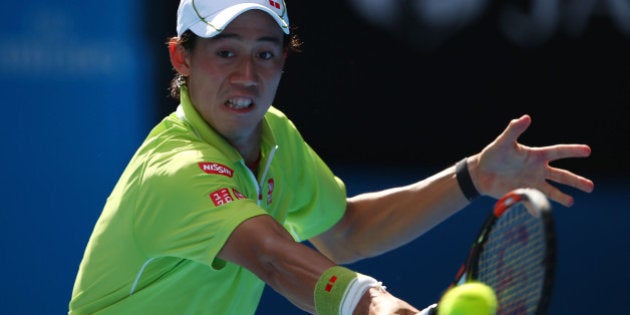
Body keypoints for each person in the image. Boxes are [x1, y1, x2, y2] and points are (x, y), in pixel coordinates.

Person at [68, 0, 595, 314]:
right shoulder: (177, 170)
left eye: (265, 54)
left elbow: (344, 232)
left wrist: (473, 176)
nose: (247, 77)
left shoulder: (273, 136)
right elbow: (273, 258)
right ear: (182, 56)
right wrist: (377, 305)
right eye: (226, 52)